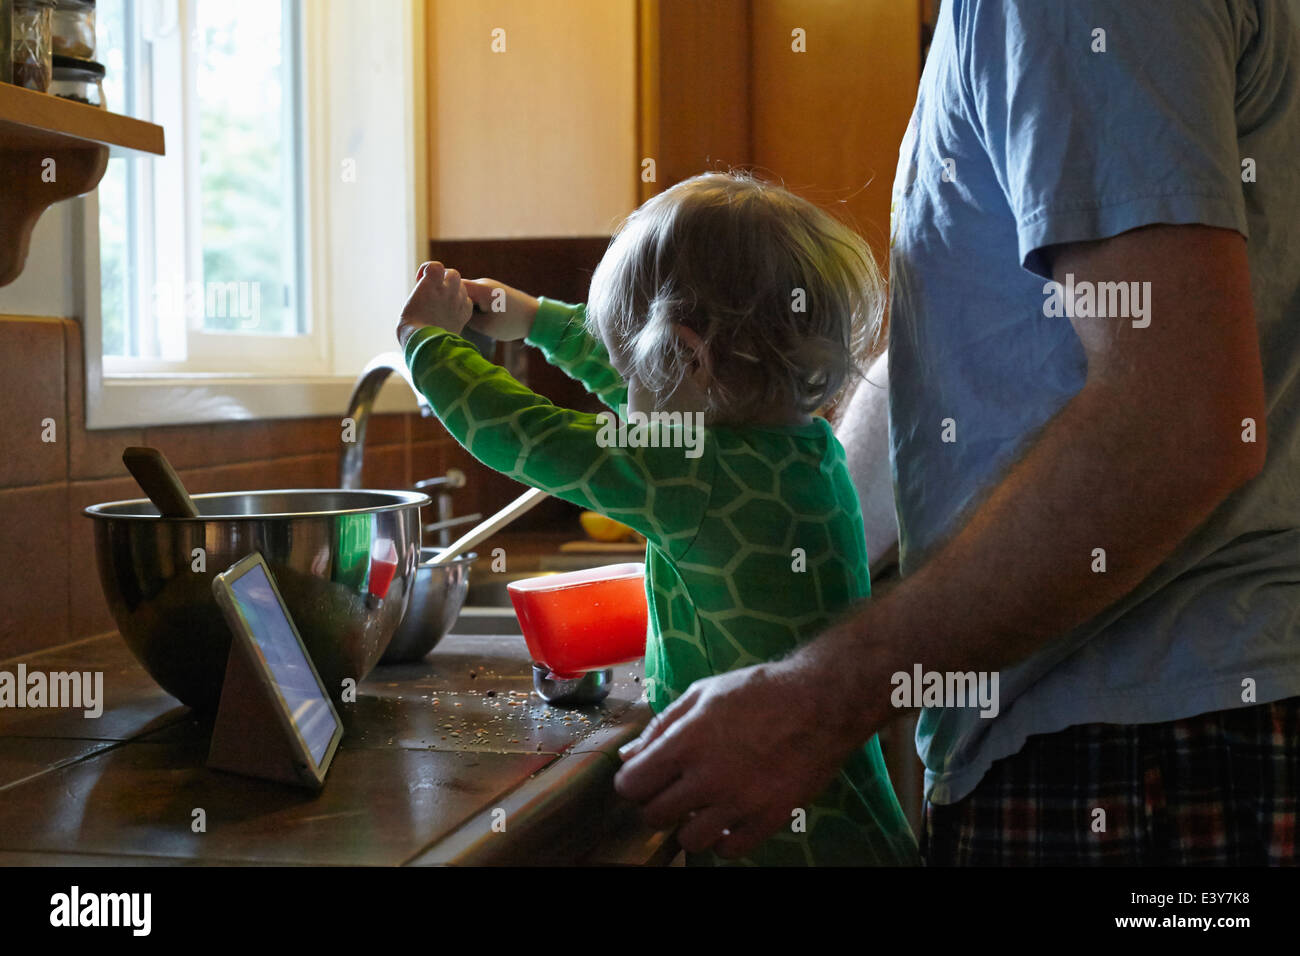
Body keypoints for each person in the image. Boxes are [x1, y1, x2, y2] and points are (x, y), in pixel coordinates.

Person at [614, 0, 1300, 864]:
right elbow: (964, 346)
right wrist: (776, 580)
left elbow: (1183, 420)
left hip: (1142, 755)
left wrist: (819, 696)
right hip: (1157, 729)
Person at [394, 172, 920, 866]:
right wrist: (538, 320)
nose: (623, 388)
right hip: (844, 830)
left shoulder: (694, 474)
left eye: (630, 362)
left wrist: (427, 346)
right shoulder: (793, 447)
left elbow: (526, 436)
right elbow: (662, 395)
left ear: (684, 353)